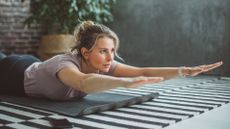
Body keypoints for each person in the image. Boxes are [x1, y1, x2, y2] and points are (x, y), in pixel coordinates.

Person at [0, 21, 223, 101]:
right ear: (86, 53)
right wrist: (124, 84)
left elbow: (142, 70)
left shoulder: (104, 64)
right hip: (12, 72)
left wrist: (185, 70)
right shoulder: (66, 65)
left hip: (31, 63)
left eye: (112, 50)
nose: (110, 57)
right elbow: (84, 82)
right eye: (104, 51)